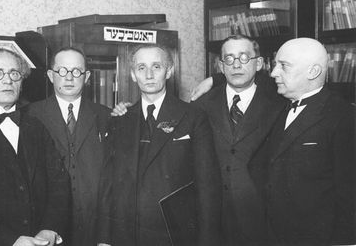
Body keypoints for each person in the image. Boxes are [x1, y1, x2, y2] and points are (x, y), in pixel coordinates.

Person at [105, 44, 222, 246]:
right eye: (141, 68)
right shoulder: (120, 119)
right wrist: (105, 238)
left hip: (174, 234)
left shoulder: (193, 117)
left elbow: (207, 186)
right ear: (133, 75)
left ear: (169, 71)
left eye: (156, 67)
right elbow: (108, 185)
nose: (149, 74)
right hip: (127, 235)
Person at [0, 48, 70, 246]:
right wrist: (10, 240)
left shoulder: (36, 127)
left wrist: (50, 228)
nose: (7, 81)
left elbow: (59, 183)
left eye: (14, 74)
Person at [189, 34, 286, 245]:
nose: (236, 65)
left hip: (261, 220)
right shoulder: (200, 106)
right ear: (221, 66)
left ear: (259, 63)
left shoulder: (279, 105)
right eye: (229, 59)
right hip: (212, 220)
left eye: (244, 57)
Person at [261, 37, 355, 245]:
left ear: (313, 72)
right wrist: (214, 79)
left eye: (283, 66)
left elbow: (350, 196)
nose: (274, 73)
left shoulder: (344, 117)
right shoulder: (278, 106)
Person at [27, 47, 111, 246]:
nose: (69, 78)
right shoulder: (29, 115)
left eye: (77, 71)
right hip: (44, 229)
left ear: (87, 76)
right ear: (50, 75)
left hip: (93, 228)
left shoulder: (107, 116)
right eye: (62, 71)